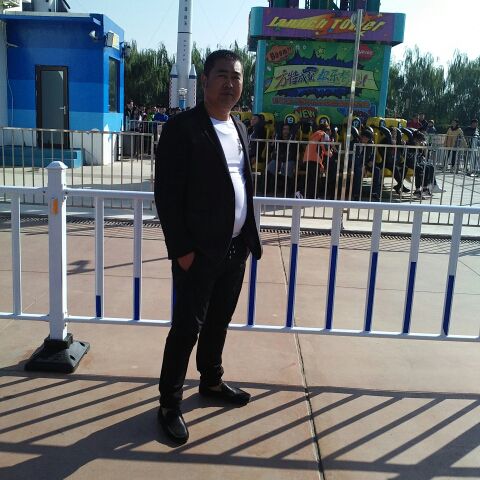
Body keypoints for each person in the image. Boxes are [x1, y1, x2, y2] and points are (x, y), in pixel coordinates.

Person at [154, 50, 263, 445]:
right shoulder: (183, 128)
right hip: (197, 254)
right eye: (222, 75)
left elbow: (241, 183)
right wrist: (182, 250)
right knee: (186, 330)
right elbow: (167, 195)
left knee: (219, 322)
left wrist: (246, 239)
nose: (230, 83)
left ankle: (211, 381)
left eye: (236, 76)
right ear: (205, 81)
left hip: (235, 248)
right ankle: (169, 404)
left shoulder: (240, 128)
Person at [266, 123, 297, 196]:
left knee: (287, 166)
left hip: (289, 160)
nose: (286, 131)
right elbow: (270, 150)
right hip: (277, 159)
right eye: (284, 129)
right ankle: (268, 190)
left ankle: (287, 191)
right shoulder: (277, 138)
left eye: (287, 129)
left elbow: (296, 152)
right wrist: (272, 143)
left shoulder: (293, 139)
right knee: (270, 167)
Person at [352, 129, 382, 201]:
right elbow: (353, 157)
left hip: (366, 163)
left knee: (377, 171)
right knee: (359, 171)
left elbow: (372, 154)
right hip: (356, 164)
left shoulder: (370, 143)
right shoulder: (355, 143)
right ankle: (356, 194)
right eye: (365, 138)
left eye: (368, 139)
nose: (366, 140)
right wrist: (363, 166)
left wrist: (371, 161)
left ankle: (375, 192)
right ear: (361, 137)